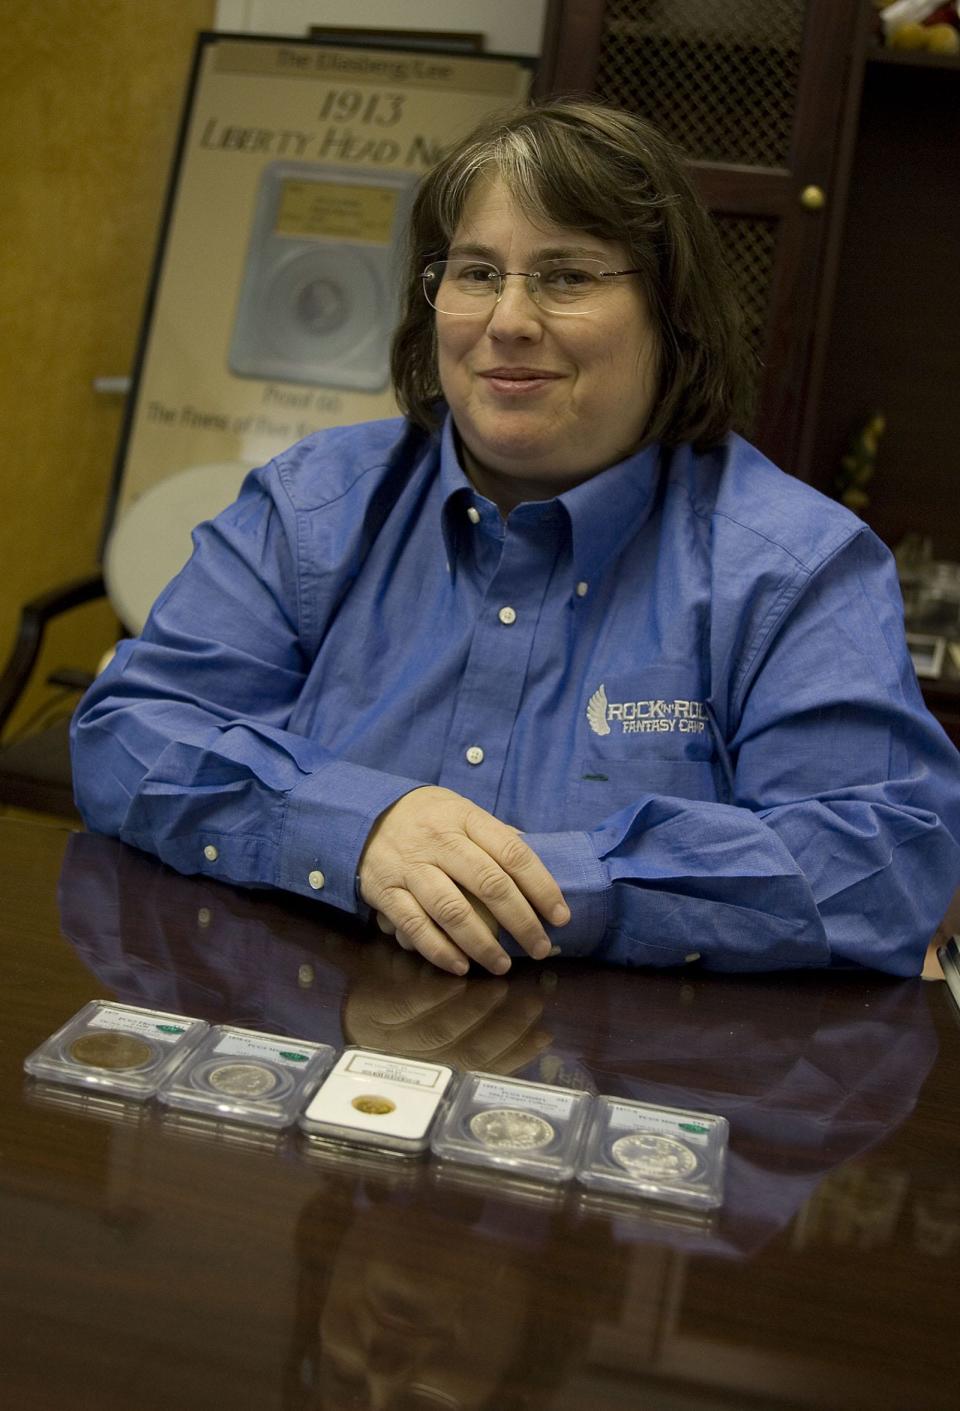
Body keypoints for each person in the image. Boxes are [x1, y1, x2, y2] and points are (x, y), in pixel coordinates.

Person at [71, 100, 960, 979]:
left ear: (671, 314)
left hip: (632, 1092)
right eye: (477, 273)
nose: (508, 321)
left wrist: (558, 886)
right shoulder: (314, 507)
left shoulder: (795, 567)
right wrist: (361, 828)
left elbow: (885, 861)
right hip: (305, 1056)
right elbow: (129, 733)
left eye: (566, 275)